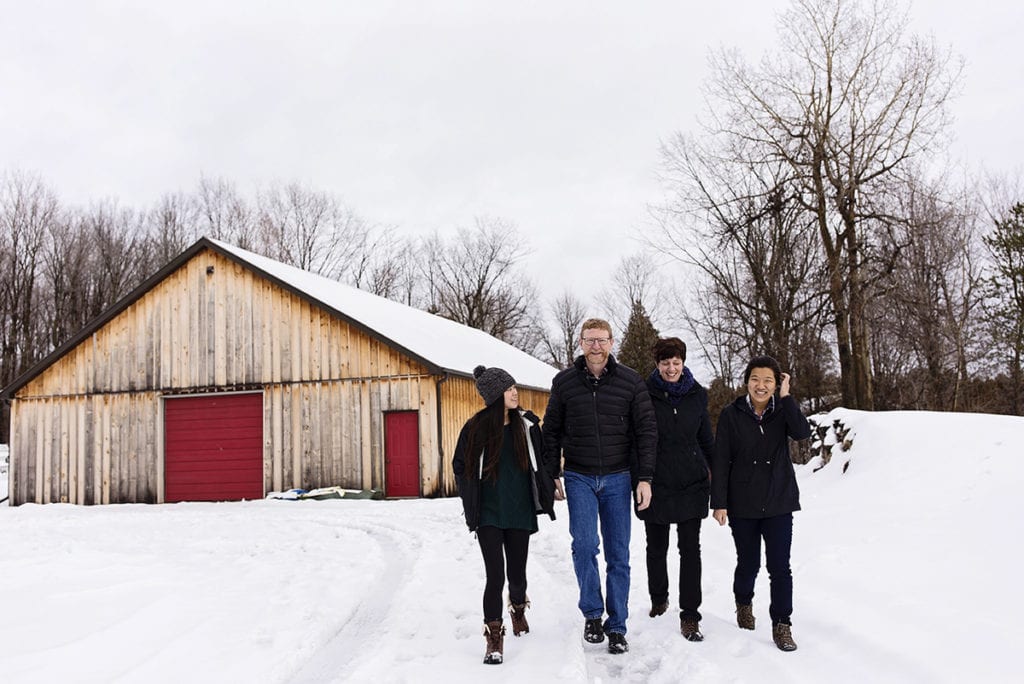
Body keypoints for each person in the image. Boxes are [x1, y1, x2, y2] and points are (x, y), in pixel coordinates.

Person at [541, 318, 657, 655]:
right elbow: (551, 431)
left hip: (619, 478)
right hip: (578, 476)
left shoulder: (631, 382)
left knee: (619, 554)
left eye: (602, 340)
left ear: (611, 343)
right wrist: (552, 475)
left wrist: (645, 478)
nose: (596, 346)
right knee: (585, 545)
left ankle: (617, 626)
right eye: (590, 340)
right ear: (580, 343)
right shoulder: (564, 383)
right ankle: (593, 614)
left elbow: (647, 432)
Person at [452, 364, 558, 665]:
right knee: (495, 574)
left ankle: (519, 609)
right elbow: (459, 465)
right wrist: (470, 493)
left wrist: (549, 485)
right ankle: (494, 635)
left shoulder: (527, 425)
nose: (515, 393)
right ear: (496, 395)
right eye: (510, 389)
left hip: (520, 508)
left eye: (514, 387)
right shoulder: (475, 428)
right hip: (488, 512)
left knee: (517, 574)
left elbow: (545, 459)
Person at [711, 355, 811, 652]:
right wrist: (719, 502)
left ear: (776, 384)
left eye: (768, 380)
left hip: (779, 499)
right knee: (749, 563)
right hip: (743, 503)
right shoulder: (732, 414)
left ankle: (782, 624)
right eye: (756, 379)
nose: (761, 385)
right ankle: (743, 603)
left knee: (780, 567)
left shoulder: (783, 411)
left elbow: (802, 433)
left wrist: (787, 397)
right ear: (747, 382)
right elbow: (721, 459)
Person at [638, 337, 714, 642]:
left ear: (683, 362)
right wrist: (640, 479)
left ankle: (690, 615)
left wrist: (718, 476)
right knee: (656, 548)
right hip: (655, 482)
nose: (671, 368)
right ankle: (659, 600)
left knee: (690, 550)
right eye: (665, 363)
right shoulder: (644, 394)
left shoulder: (697, 395)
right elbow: (637, 439)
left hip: (691, 482)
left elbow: (706, 439)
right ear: (657, 365)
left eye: (676, 362)